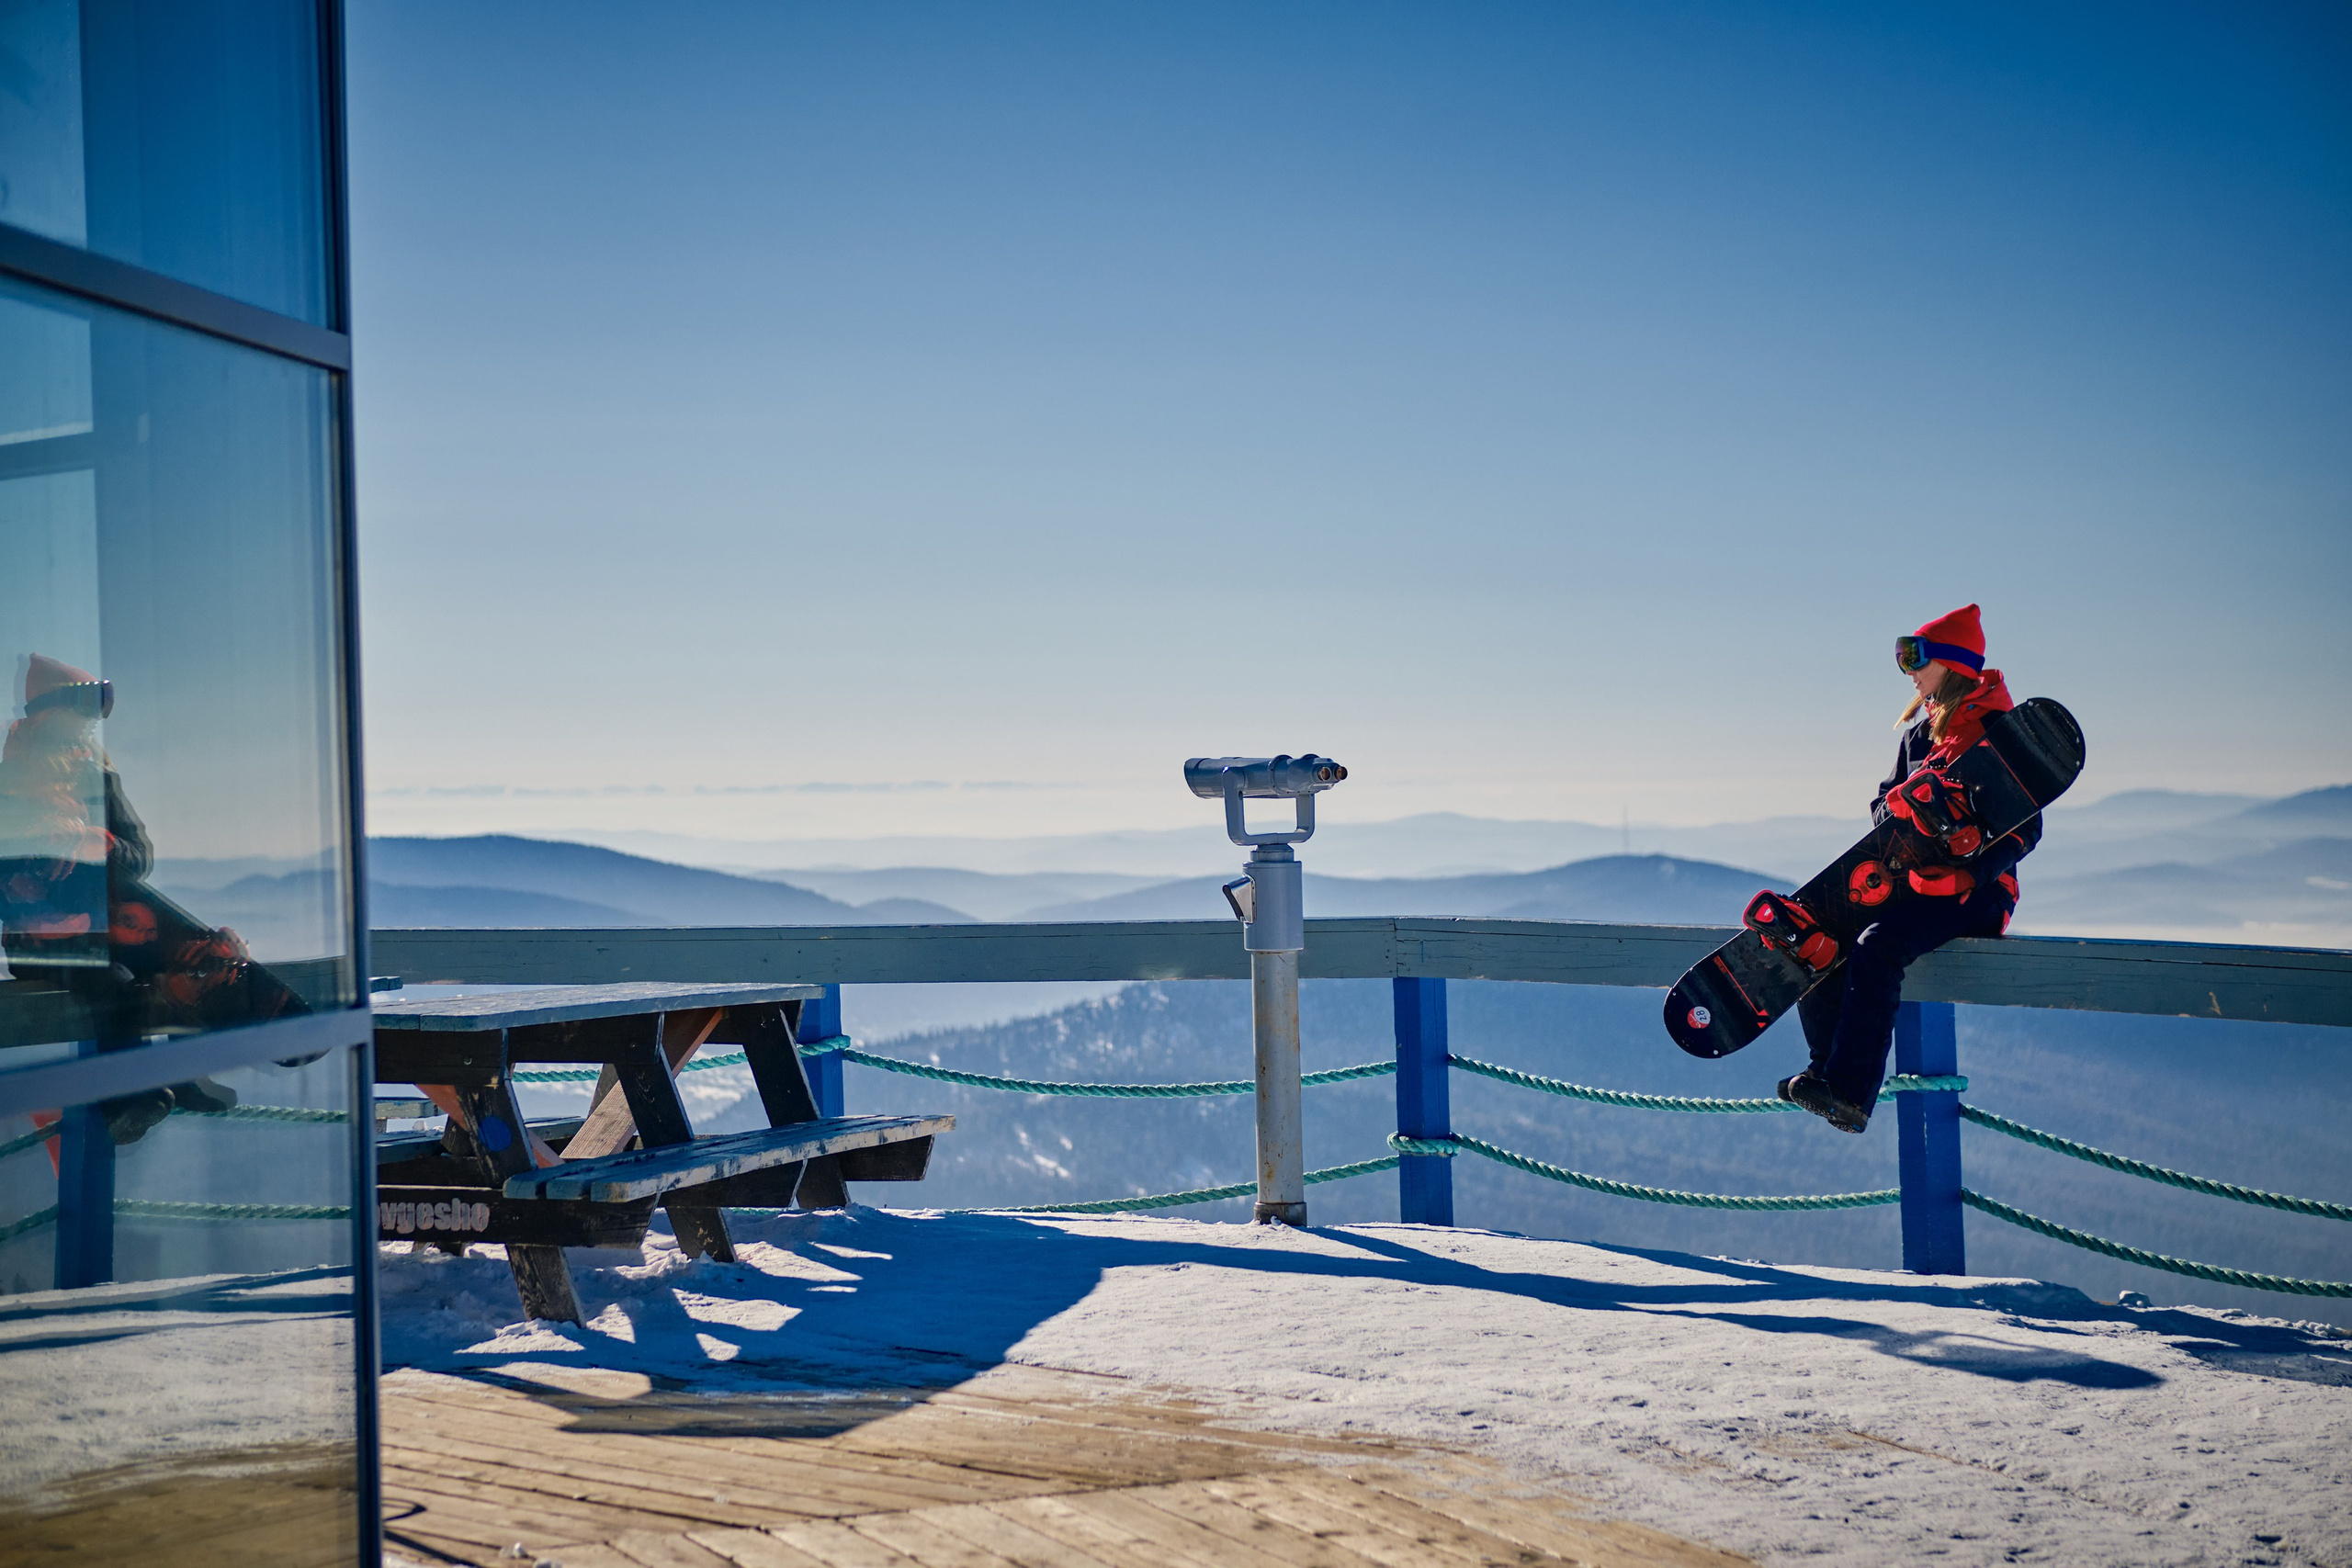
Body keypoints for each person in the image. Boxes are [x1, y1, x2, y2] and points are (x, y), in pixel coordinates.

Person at [1781, 604, 2037, 1133]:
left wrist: (1971, 871)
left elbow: (2026, 831)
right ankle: (1825, 1072)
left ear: (1953, 662)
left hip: (1981, 892)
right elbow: (1880, 807)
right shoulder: (1919, 739)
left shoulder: (1999, 734)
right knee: (1821, 929)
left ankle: (1850, 1092)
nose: (1909, 674)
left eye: (1916, 661)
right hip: (1914, 882)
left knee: (1878, 946)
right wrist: (1899, 810)